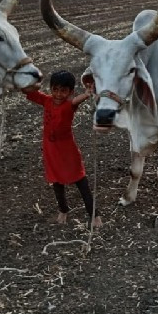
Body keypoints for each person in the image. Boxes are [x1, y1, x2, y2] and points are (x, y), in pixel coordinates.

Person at [22, 70, 101, 228]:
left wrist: (87, 93)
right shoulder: (47, 100)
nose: (58, 94)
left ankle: (94, 215)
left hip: (67, 149)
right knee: (56, 180)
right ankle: (63, 211)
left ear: (70, 92)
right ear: (51, 88)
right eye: (55, 89)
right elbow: (29, 91)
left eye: (63, 90)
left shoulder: (69, 105)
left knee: (80, 180)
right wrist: (19, 81)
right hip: (50, 148)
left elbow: (77, 101)